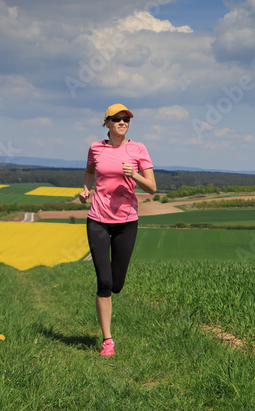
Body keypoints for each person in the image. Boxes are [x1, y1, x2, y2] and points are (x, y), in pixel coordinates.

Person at [79, 103, 156, 357]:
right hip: (98, 220)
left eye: (127, 119)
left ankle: (112, 290)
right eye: (117, 119)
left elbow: (152, 188)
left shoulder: (138, 149)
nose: (123, 122)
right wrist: (85, 189)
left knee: (117, 284)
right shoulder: (96, 148)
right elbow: (90, 171)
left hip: (126, 222)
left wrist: (134, 175)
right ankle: (107, 340)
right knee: (104, 282)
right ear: (107, 123)